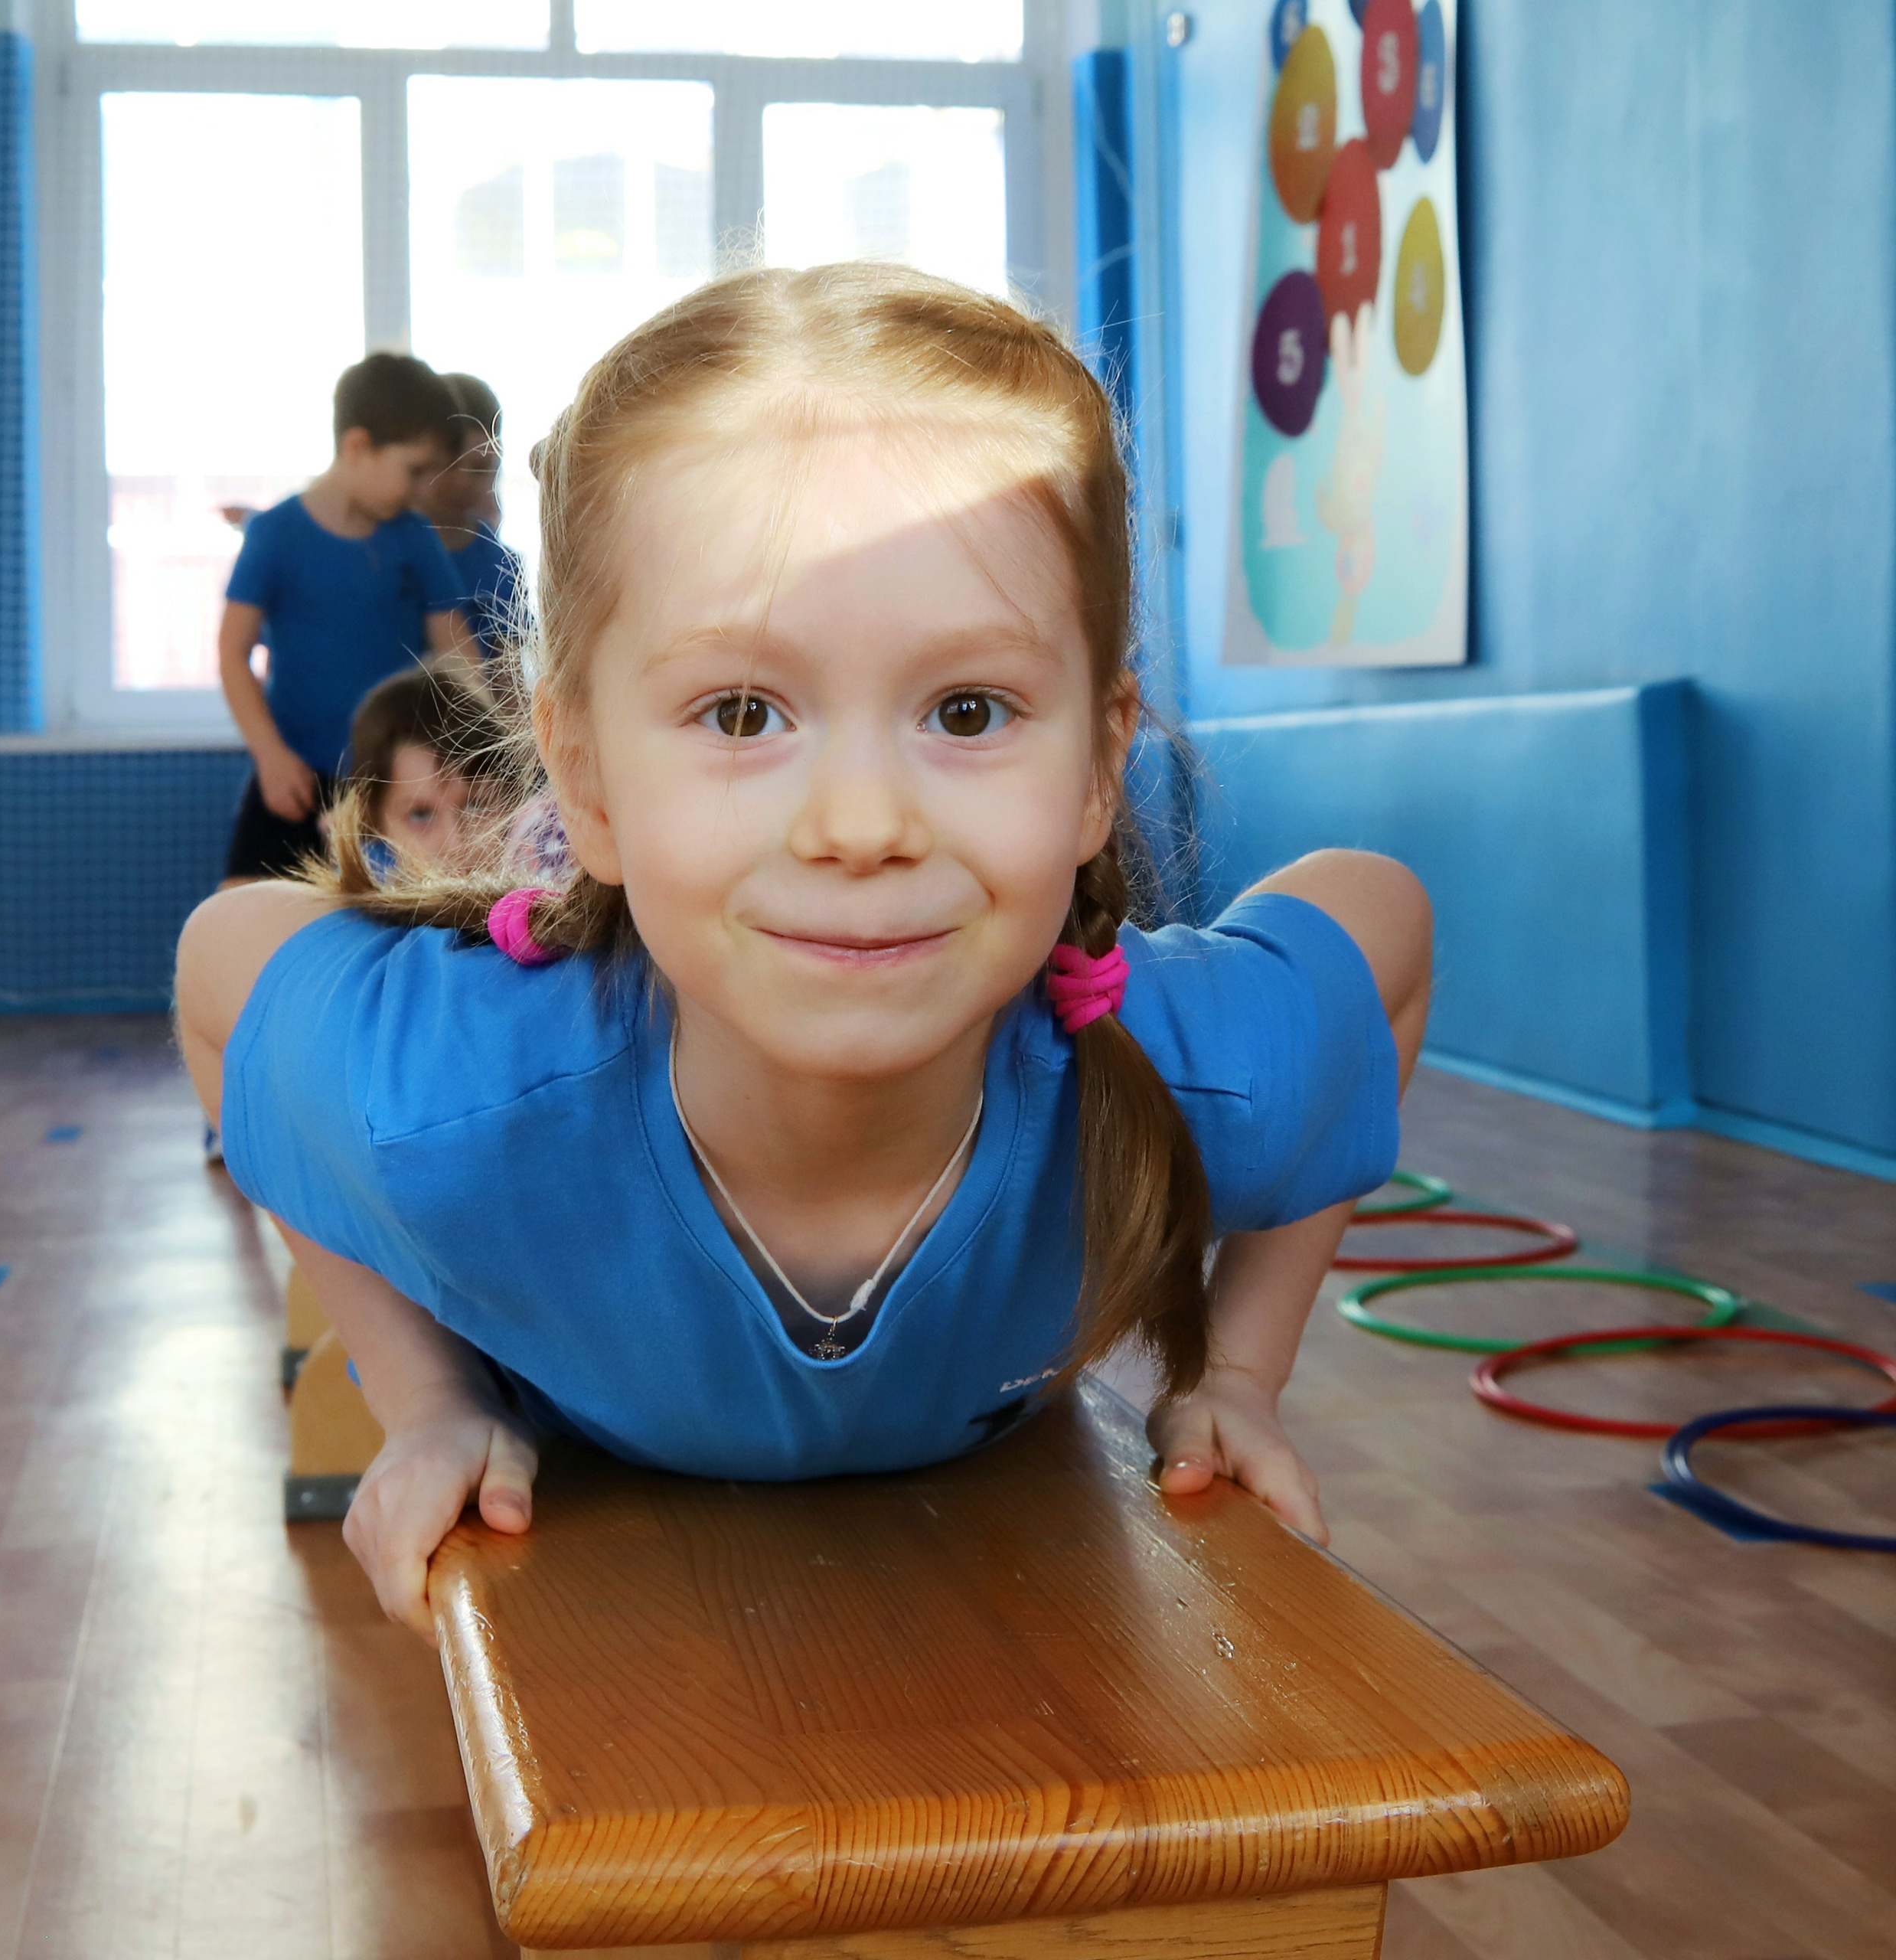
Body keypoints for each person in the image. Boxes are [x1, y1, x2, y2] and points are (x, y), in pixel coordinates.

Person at [176, 266, 1431, 1641]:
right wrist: (424, 1398)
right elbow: (222, 968)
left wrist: (1240, 1372)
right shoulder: (453, 1104)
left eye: (966, 709)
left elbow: (1381, 923)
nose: (860, 826)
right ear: (584, 781)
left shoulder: (1182, 1073)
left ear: (1096, 767)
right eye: (738, 711)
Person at [217, 352, 478, 885]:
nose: (422, 489)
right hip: (297, 771)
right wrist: (269, 755)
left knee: (373, 920)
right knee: (238, 910)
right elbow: (232, 653)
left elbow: (457, 651)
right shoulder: (275, 535)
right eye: (414, 470)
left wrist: (492, 747)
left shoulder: (413, 538)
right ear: (358, 447)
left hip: (389, 786)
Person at [338, 657, 510, 874]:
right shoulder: (351, 903)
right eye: (420, 815)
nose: (456, 844)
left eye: (476, 806)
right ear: (375, 821)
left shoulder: (548, 882)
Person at [416, 372, 528, 666]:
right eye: (451, 465)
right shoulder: (389, 551)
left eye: (484, 467)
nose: (467, 481)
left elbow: (509, 682)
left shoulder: (501, 565)